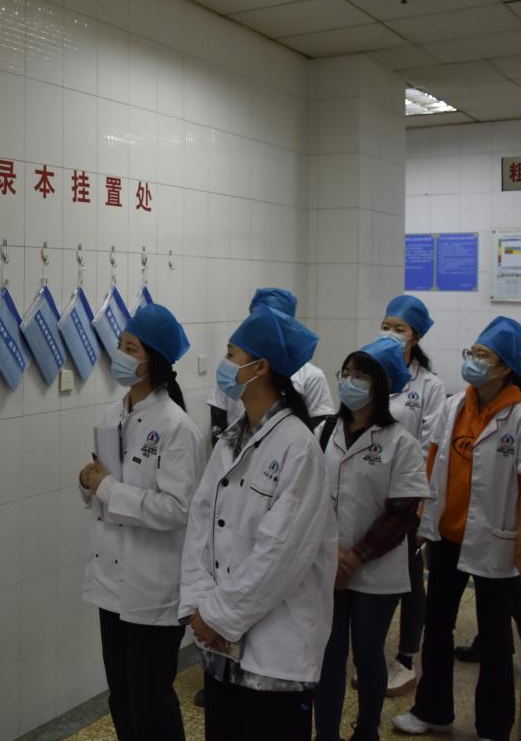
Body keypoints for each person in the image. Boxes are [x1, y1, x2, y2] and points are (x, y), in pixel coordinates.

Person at [180, 306, 337, 741]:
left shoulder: (298, 448)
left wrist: (218, 616)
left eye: (232, 354)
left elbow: (281, 556)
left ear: (261, 367)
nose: (225, 364)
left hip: (275, 654)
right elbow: (201, 527)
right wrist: (199, 608)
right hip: (221, 647)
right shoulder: (230, 441)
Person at [393, 317, 521, 740]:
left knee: (495, 639)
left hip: (495, 544)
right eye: (471, 352)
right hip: (448, 539)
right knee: (437, 628)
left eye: (482, 355)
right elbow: (433, 464)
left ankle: (494, 726)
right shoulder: (456, 405)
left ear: (505, 366)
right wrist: (424, 520)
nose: (472, 360)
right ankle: (432, 710)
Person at [78, 304, 208, 741]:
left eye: (130, 348)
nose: (120, 354)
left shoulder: (177, 427)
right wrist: (88, 483)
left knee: (151, 700)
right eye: (120, 345)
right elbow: (103, 492)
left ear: (154, 360)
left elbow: (176, 509)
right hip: (110, 583)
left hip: (152, 588)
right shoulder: (111, 415)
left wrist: (108, 488)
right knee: (121, 695)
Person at [314, 338, 429, 741]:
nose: (349, 382)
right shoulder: (324, 431)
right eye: (345, 373)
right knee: (328, 655)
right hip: (328, 564)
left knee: (367, 651)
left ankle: (367, 729)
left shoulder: (401, 443)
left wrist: (354, 558)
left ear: (381, 383)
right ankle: (325, 733)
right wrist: (332, 553)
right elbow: (307, 497)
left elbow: (402, 513)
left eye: (360, 375)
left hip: (376, 570)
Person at [375, 295, 447, 696]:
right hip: (370, 489)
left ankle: (405, 658)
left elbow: (428, 446)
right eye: (386, 325)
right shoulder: (370, 372)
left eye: (398, 328)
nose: (390, 333)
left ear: (414, 336)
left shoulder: (430, 386)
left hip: (407, 493)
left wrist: (417, 499)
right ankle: (372, 653)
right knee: (375, 574)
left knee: (409, 574)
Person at [207, 288, 335, 446]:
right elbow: (218, 423)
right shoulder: (234, 372)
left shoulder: (311, 377)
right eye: (255, 318)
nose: (261, 327)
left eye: (272, 322)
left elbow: (320, 430)